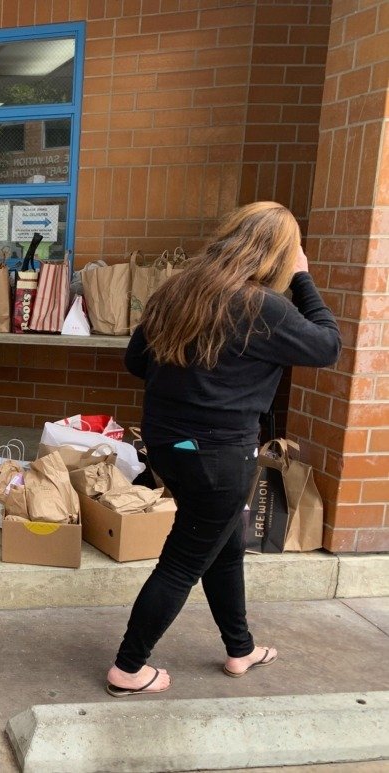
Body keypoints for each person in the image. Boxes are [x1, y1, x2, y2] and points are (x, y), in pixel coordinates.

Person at [106, 201, 341, 697]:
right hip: (218, 456)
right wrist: (303, 279)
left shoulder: (178, 290)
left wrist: (188, 383)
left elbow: (135, 361)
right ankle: (129, 667)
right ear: (279, 254)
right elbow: (326, 346)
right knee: (183, 562)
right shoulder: (263, 306)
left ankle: (241, 649)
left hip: (168, 445)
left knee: (224, 543)